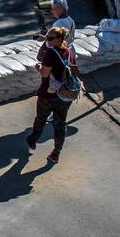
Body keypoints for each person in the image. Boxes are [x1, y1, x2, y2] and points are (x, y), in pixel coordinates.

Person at [26, 26, 78, 164]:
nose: (47, 40)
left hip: (48, 95)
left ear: (59, 39)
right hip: (65, 94)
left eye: (50, 38)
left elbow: (45, 73)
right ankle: (56, 153)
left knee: (41, 117)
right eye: (46, 37)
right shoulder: (70, 52)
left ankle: (33, 139)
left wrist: (38, 67)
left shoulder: (50, 53)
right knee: (60, 124)